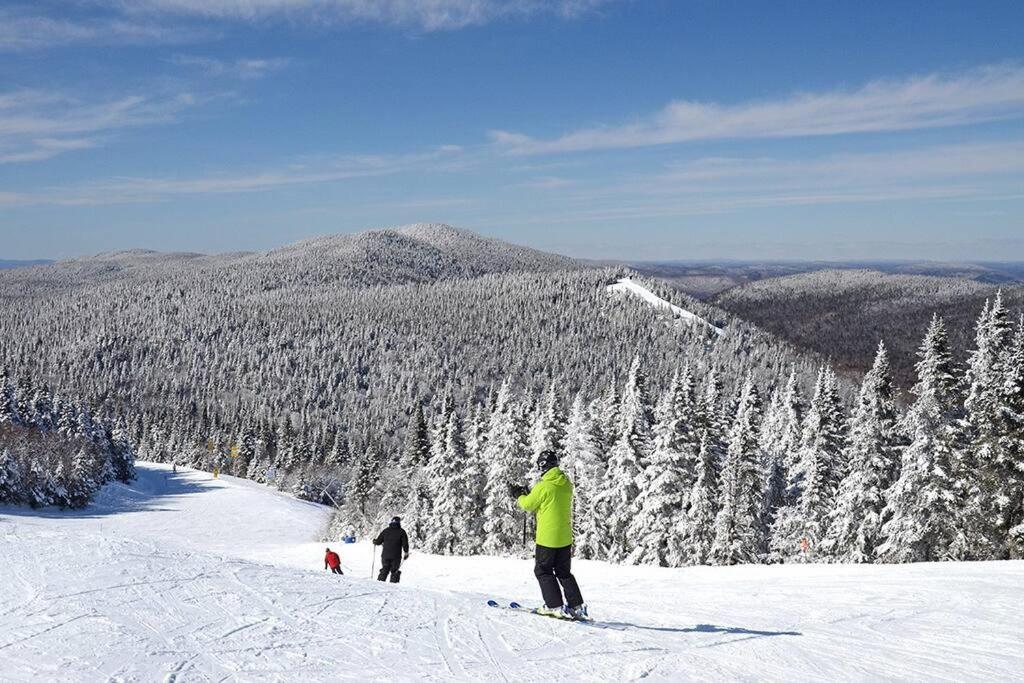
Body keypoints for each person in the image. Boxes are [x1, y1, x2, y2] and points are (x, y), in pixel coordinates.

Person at [511, 450, 588, 620]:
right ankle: (577, 606)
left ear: (542, 466)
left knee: (543, 571)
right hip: (565, 537)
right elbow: (549, 499)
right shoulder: (566, 483)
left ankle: (554, 606)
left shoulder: (543, 486)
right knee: (564, 572)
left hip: (547, 538)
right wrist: (531, 492)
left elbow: (528, 505)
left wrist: (519, 495)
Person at [373, 516, 410, 583]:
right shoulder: (402, 532)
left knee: (385, 569)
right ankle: (393, 587)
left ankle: (379, 584)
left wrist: (375, 541)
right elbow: (405, 544)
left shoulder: (386, 531)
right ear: (399, 522)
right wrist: (406, 552)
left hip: (385, 555)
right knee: (394, 571)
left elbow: (378, 542)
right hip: (396, 556)